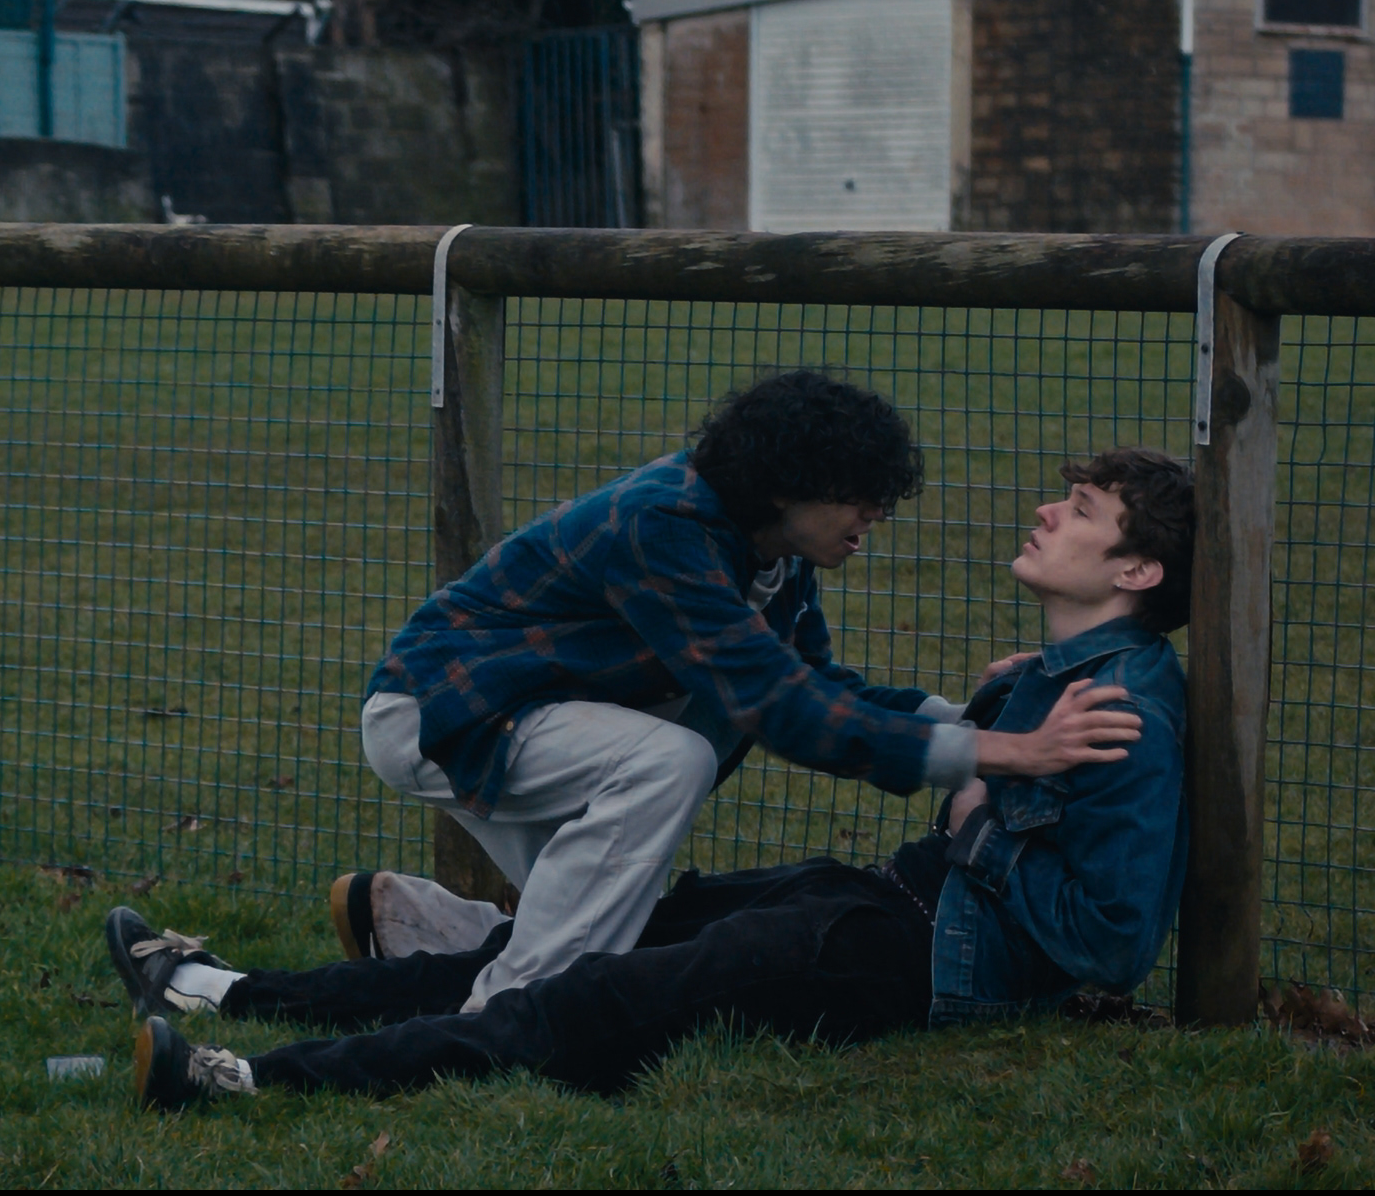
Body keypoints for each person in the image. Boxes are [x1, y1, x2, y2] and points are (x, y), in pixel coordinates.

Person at [117, 447, 1196, 1110]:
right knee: (593, 939)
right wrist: (979, 724)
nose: (1047, 512)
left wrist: (976, 815)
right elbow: (805, 697)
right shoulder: (1058, 679)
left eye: (1081, 510)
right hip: (884, 899)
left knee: (595, 995)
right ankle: (217, 990)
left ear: (1136, 570)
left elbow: (1109, 943)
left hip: (917, 952)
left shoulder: (1123, 715)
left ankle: (246, 1076)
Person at [354, 369, 1141, 1013]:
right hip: (446, 714)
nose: (877, 511)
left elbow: (816, 685)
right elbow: (781, 710)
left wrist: (975, 717)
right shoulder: (663, 525)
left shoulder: (773, 553)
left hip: (536, 715)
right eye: (858, 492)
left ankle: (440, 934)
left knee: (609, 917)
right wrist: (1001, 751)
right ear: (788, 485)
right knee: (668, 762)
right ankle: (509, 1015)